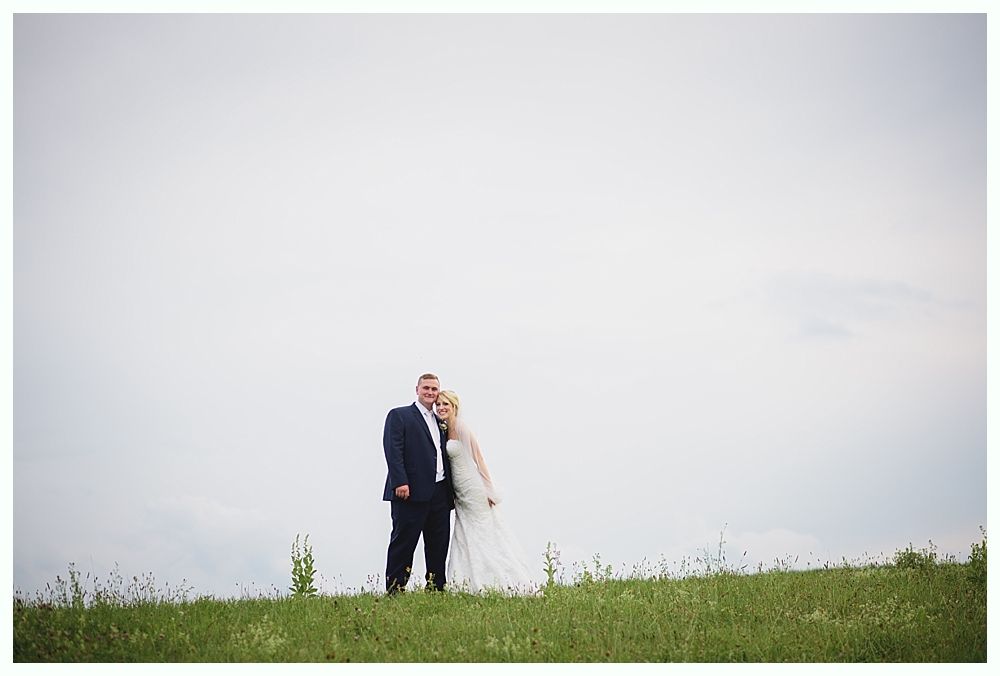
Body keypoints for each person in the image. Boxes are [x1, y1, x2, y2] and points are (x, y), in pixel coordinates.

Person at [434, 390, 535, 594]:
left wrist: (489, 490)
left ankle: (503, 579)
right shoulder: (445, 428)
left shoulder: (461, 427)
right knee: (464, 531)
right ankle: (466, 581)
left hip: (472, 487)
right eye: (438, 404)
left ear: (454, 407)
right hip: (459, 491)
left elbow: (479, 459)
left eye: (446, 404)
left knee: (482, 531)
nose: (441, 407)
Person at [382, 373, 454, 593]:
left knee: (438, 544)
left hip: (440, 493)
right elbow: (394, 451)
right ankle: (395, 589)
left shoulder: (441, 421)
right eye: (426, 388)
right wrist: (400, 482)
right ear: (417, 389)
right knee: (404, 542)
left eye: (434, 389)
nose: (430, 393)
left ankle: (436, 589)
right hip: (409, 493)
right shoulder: (400, 415)